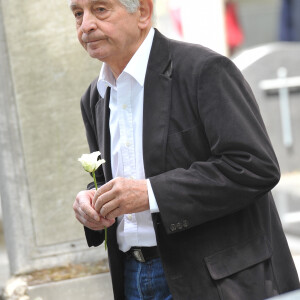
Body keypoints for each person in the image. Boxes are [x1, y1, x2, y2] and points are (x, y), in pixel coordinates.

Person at [71, 0, 300, 299]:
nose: (86, 24)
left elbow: (255, 166)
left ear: (142, 12)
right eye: (78, 14)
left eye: (100, 10)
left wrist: (151, 194)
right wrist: (92, 199)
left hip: (214, 279)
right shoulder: (95, 97)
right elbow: (117, 179)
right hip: (131, 275)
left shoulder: (204, 70)